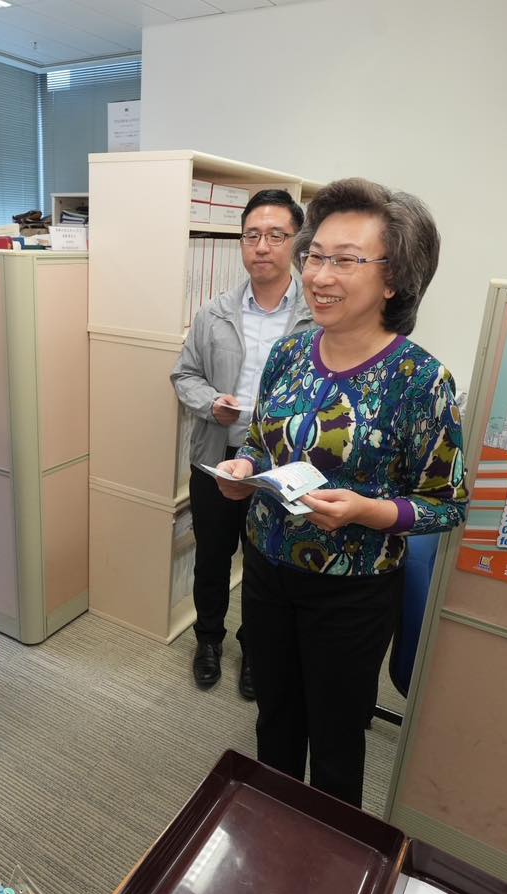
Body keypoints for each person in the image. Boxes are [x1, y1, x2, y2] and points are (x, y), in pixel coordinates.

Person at [212, 177, 469, 807]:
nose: (319, 276)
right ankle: (272, 826)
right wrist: (244, 471)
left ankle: (328, 850)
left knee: (334, 742)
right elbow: (260, 443)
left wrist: (367, 511)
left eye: (345, 260)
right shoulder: (289, 354)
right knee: (275, 719)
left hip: (352, 592)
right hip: (267, 572)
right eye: (315, 256)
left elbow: (447, 503)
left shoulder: (421, 380)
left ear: (393, 278)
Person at [170, 190, 313, 698]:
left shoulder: (316, 316)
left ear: (297, 242)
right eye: (252, 235)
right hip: (217, 458)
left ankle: (256, 649)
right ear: (241, 243)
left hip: (279, 464)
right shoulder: (214, 312)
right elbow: (184, 374)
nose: (262, 246)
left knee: (264, 563)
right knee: (212, 557)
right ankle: (208, 641)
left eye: (276, 235)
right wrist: (212, 403)